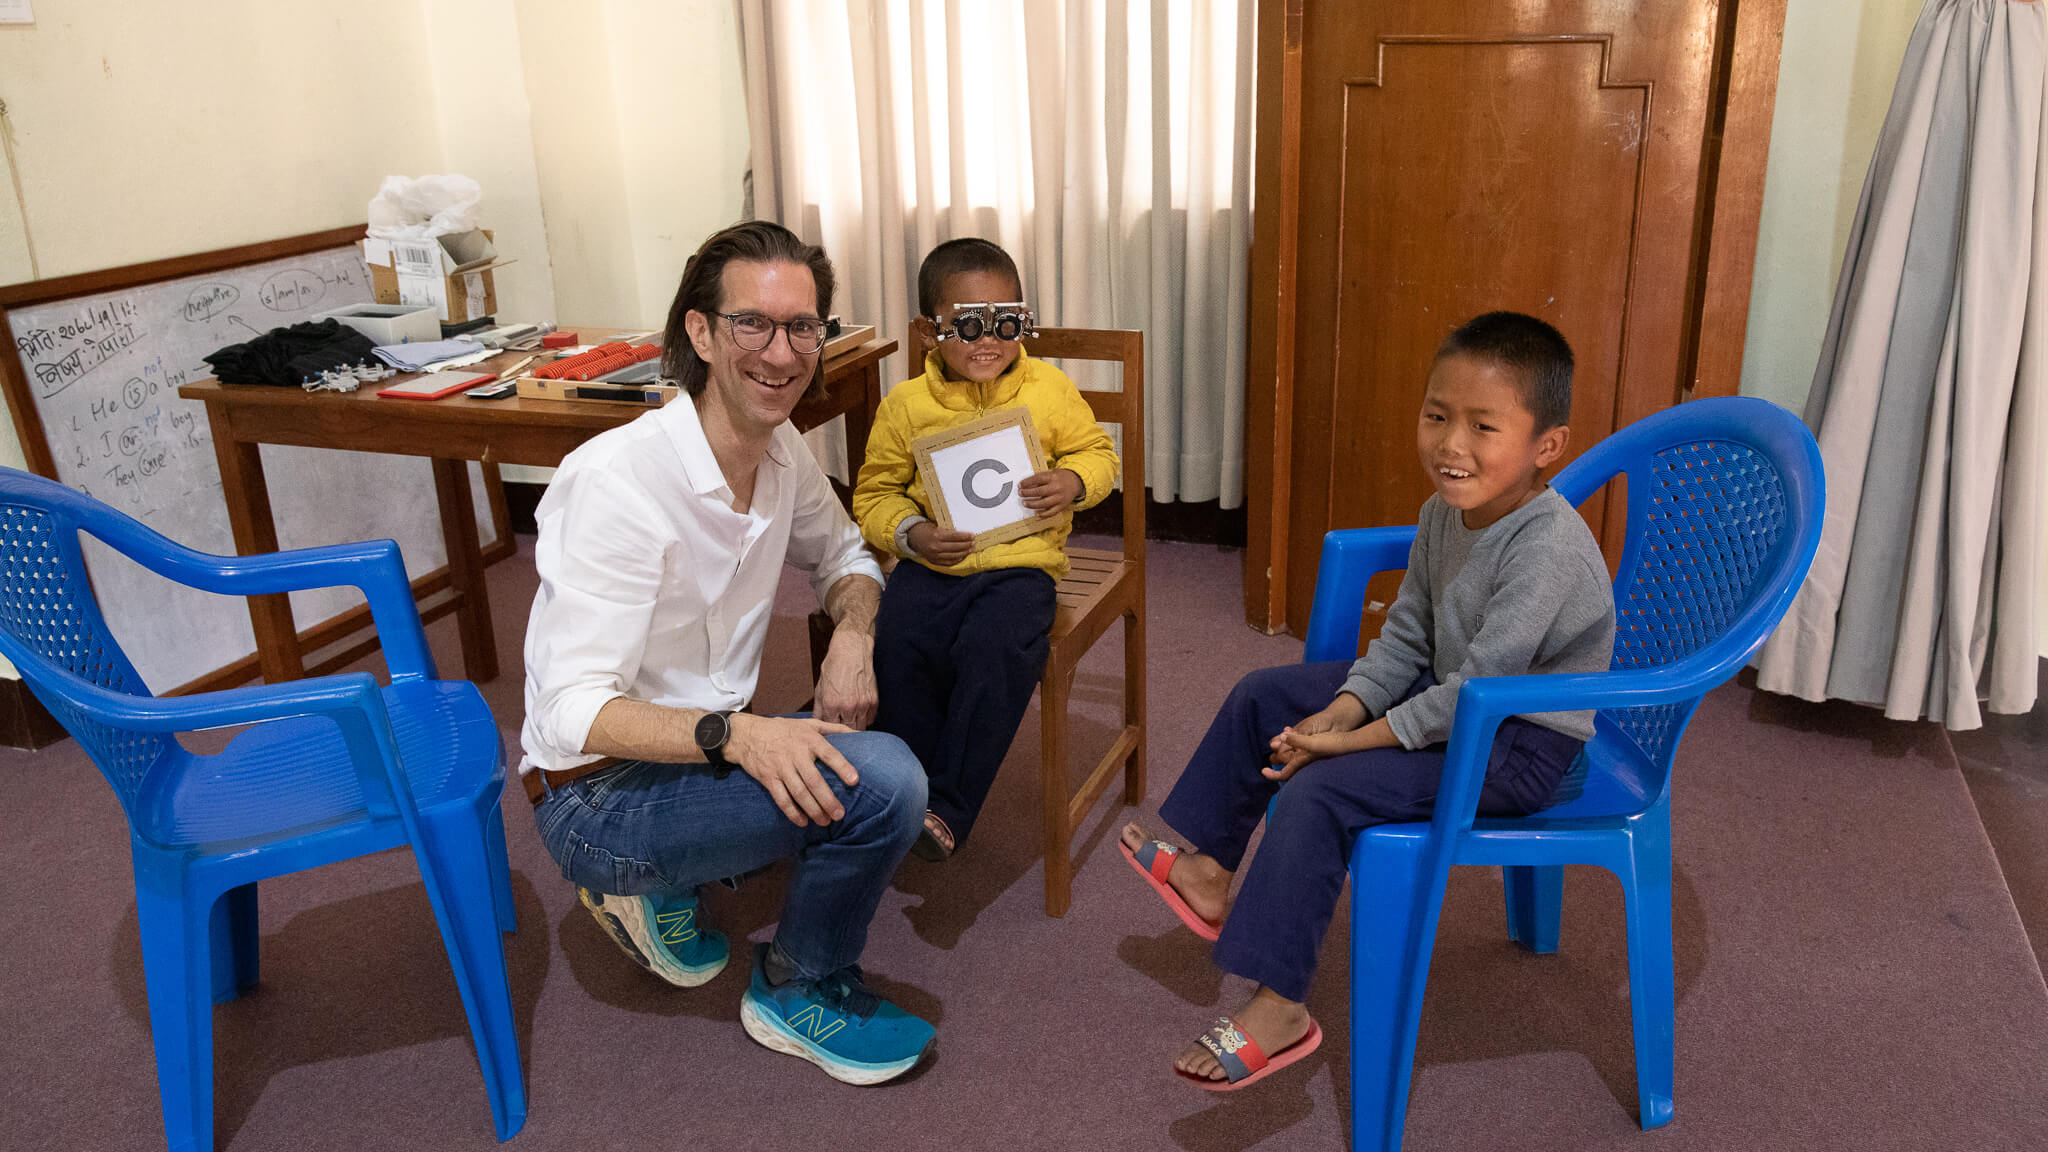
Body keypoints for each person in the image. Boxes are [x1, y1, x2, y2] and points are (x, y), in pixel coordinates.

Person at [1119, 312, 1616, 1090]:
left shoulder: (1547, 549)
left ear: (1546, 446)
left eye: (1483, 426)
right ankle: (1211, 873)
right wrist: (1346, 709)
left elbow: (1478, 693)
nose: (1451, 444)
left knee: (1322, 787)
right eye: (1437, 416)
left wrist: (1345, 745)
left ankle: (1281, 1005)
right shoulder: (1443, 513)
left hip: (1519, 745)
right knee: (1265, 694)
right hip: (1449, 699)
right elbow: (1407, 638)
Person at [519, 220, 935, 1086]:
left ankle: (672, 878)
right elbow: (568, 713)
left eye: (802, 327)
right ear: (702, 334)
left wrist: (853, 634)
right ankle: (794, 988)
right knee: (886, 781)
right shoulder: (616, 483)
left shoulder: (780, 449)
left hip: (698, 747)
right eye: (753, 324)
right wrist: (740, 737)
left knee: (866, 719)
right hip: (592, 796)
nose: (781, 354)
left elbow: (848, 557)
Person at [851, 238, 1119, 861]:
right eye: (969, 324)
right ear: (929, 331)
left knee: (997, 648)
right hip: (933, 563)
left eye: (1007, 322)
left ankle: (947, 806)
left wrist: (1073, 480)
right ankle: (903, 788)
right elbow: (874, 494)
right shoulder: (905, 407)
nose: (989, 340)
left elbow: (1098, 454)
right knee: (900, 642)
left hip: (1022, 566)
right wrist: (912, 533)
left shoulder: (1049, 388)